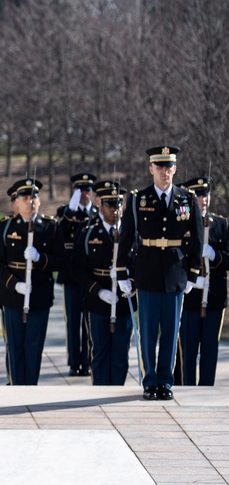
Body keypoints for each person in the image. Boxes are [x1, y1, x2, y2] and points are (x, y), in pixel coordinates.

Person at [116, 146, 203, 400]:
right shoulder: (137, 199)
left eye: (169, 167)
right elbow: (127, 238)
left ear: (175, 169)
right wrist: (122, 272)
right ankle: (149, 381)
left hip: (176, 274)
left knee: (170, 332)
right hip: (147, 273)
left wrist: (194, 273)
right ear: (151, 169)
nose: (165, 172)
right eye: (160, 167)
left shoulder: (186, 199)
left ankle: (165, 381)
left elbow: (197, 238)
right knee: (148, 332)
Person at [0, 178, 63, 385]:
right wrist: (14, 284)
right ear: (16, 202)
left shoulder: (51, 227)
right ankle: (16, 386)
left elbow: (62, 261)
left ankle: (31, 387)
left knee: (34, 346)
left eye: (34, 197)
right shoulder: (5, 227)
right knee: (14, 345)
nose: (30, 202)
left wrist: (40, 258)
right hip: (12, 297)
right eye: (25, 198)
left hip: (40, 296)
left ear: (39, 201)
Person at [72, 181, 134, 385]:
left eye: (118, 204)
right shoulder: (88, 231)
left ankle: (116, 390)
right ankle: (99, 391)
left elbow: (141, 264)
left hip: (123, 300)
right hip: (97, 301)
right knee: (98, 351)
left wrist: (131, 282)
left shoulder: (130, 232)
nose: (115, 210)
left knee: (120, 353)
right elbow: (78, 269)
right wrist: (98, 291)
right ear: (100, 205)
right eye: (110, 204)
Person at [176, 176, 226, 386]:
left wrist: (215, 255)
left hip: (213, 298)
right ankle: (186, 388)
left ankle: (207, 389)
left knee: (209, 349)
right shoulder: (181, 225)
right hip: (190, 298)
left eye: (205, 195)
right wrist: (191, 278)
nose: (202, 199)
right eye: (197, 195)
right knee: (187, 350)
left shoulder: (221, 225)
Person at [56, 173, 99, 376]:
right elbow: (59, 233)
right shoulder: (65, 212)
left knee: (89, 321)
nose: (84, 194)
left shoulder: (98, 214)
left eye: (87, 189)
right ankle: (74, 362)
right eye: (80, 190)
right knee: (73, 320)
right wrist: (70, 212)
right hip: (71, 276)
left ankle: (89, 360)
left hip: (91, 277)